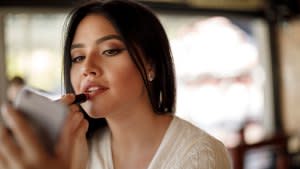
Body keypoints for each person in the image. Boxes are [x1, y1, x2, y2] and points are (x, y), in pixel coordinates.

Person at [0, 0, 232, 169]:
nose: (87, 68)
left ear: (150, 66)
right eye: (78, 57)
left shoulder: (201, 155)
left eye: (110, 51)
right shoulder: (77, 151)